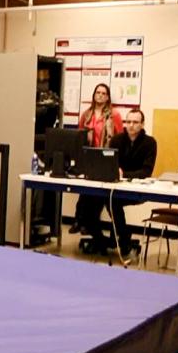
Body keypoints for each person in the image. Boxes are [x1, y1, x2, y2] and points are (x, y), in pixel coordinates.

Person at [69, 83, 123, 234]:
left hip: (104, 157)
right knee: (85, 190)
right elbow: (78, 136)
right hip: (88, 157)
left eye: (103, 93)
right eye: (98, 92)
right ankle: (80, 220)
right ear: (94, 95)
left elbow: (119, 138)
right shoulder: (86, 114)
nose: (100, 95)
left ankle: (86, 223)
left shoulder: (114, 115)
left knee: (97, 194)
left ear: (108, 97)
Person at [106, 108, 157, 255]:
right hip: (115, 186)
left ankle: (123, 237)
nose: (131, 125)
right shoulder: (117, 140)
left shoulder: (149, 143)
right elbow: (109, 164)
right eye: (128, 121)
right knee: (93, 197)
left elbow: (146, 172)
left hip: (136, 190)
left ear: (142, 124)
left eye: (135, 122)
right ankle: (111, 237)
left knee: (112, 200)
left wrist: (124, 174)